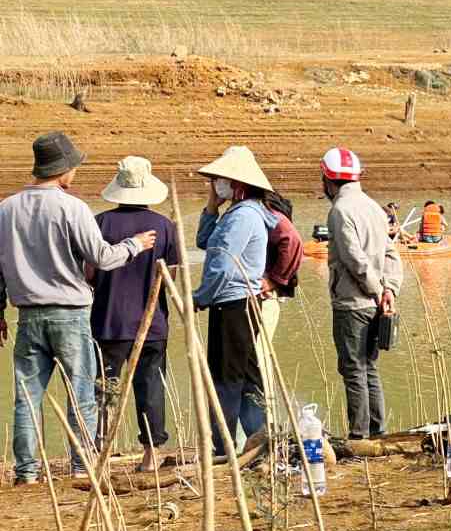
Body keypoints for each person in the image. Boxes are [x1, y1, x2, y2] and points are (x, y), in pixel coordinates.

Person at [0, 132, 156, 484]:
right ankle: (80, 467)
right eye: (75, 167)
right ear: (64, 169)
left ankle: (26, 473)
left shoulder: (6, 209)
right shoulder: (72, 208)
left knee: (27, 397)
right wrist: (135, 244)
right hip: (70, 314)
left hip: (28, 316)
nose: (76, 173)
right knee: (81, 395)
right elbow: (101, 257)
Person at [90, 157, 180, 473]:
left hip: (108, 321)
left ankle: (99, 450)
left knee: (105, 388)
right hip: (152, 322)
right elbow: (171, 276)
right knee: (150, 386)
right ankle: (151, 454)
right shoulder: (165, 227)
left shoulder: (99, 223)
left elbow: (89, 271)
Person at [192, 146, 278, 456]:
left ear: (237, 184)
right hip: (239, 303)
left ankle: (223, 446)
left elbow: (223, 266)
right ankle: (258, 439)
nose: (215, 184)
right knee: (245, 376)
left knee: (227, 378)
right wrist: (211, 207)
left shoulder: (243, 217)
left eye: (219, 179)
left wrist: (199, 297)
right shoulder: (237, 213)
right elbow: (204, 242)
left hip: (233, 305)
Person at [321, 147, 402, 440]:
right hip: (376, 302)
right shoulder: (373, 207)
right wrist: (389, 290)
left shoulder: (340, 211)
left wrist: (379, 289)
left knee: (353, 370)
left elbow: (354, 259)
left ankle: (359, 436)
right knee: (369, 369)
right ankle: (377, 431)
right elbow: (392, 253)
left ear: (327, 179)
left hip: (352, 303)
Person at [255, 190, 303, 426]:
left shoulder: (267, 211)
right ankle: (262, 423)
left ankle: (267, 423)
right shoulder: (260, 209)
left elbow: (292, 241)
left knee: (259, 358)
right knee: (256, 359)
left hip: (265, 298)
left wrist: (274, 279)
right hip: (260, 298)